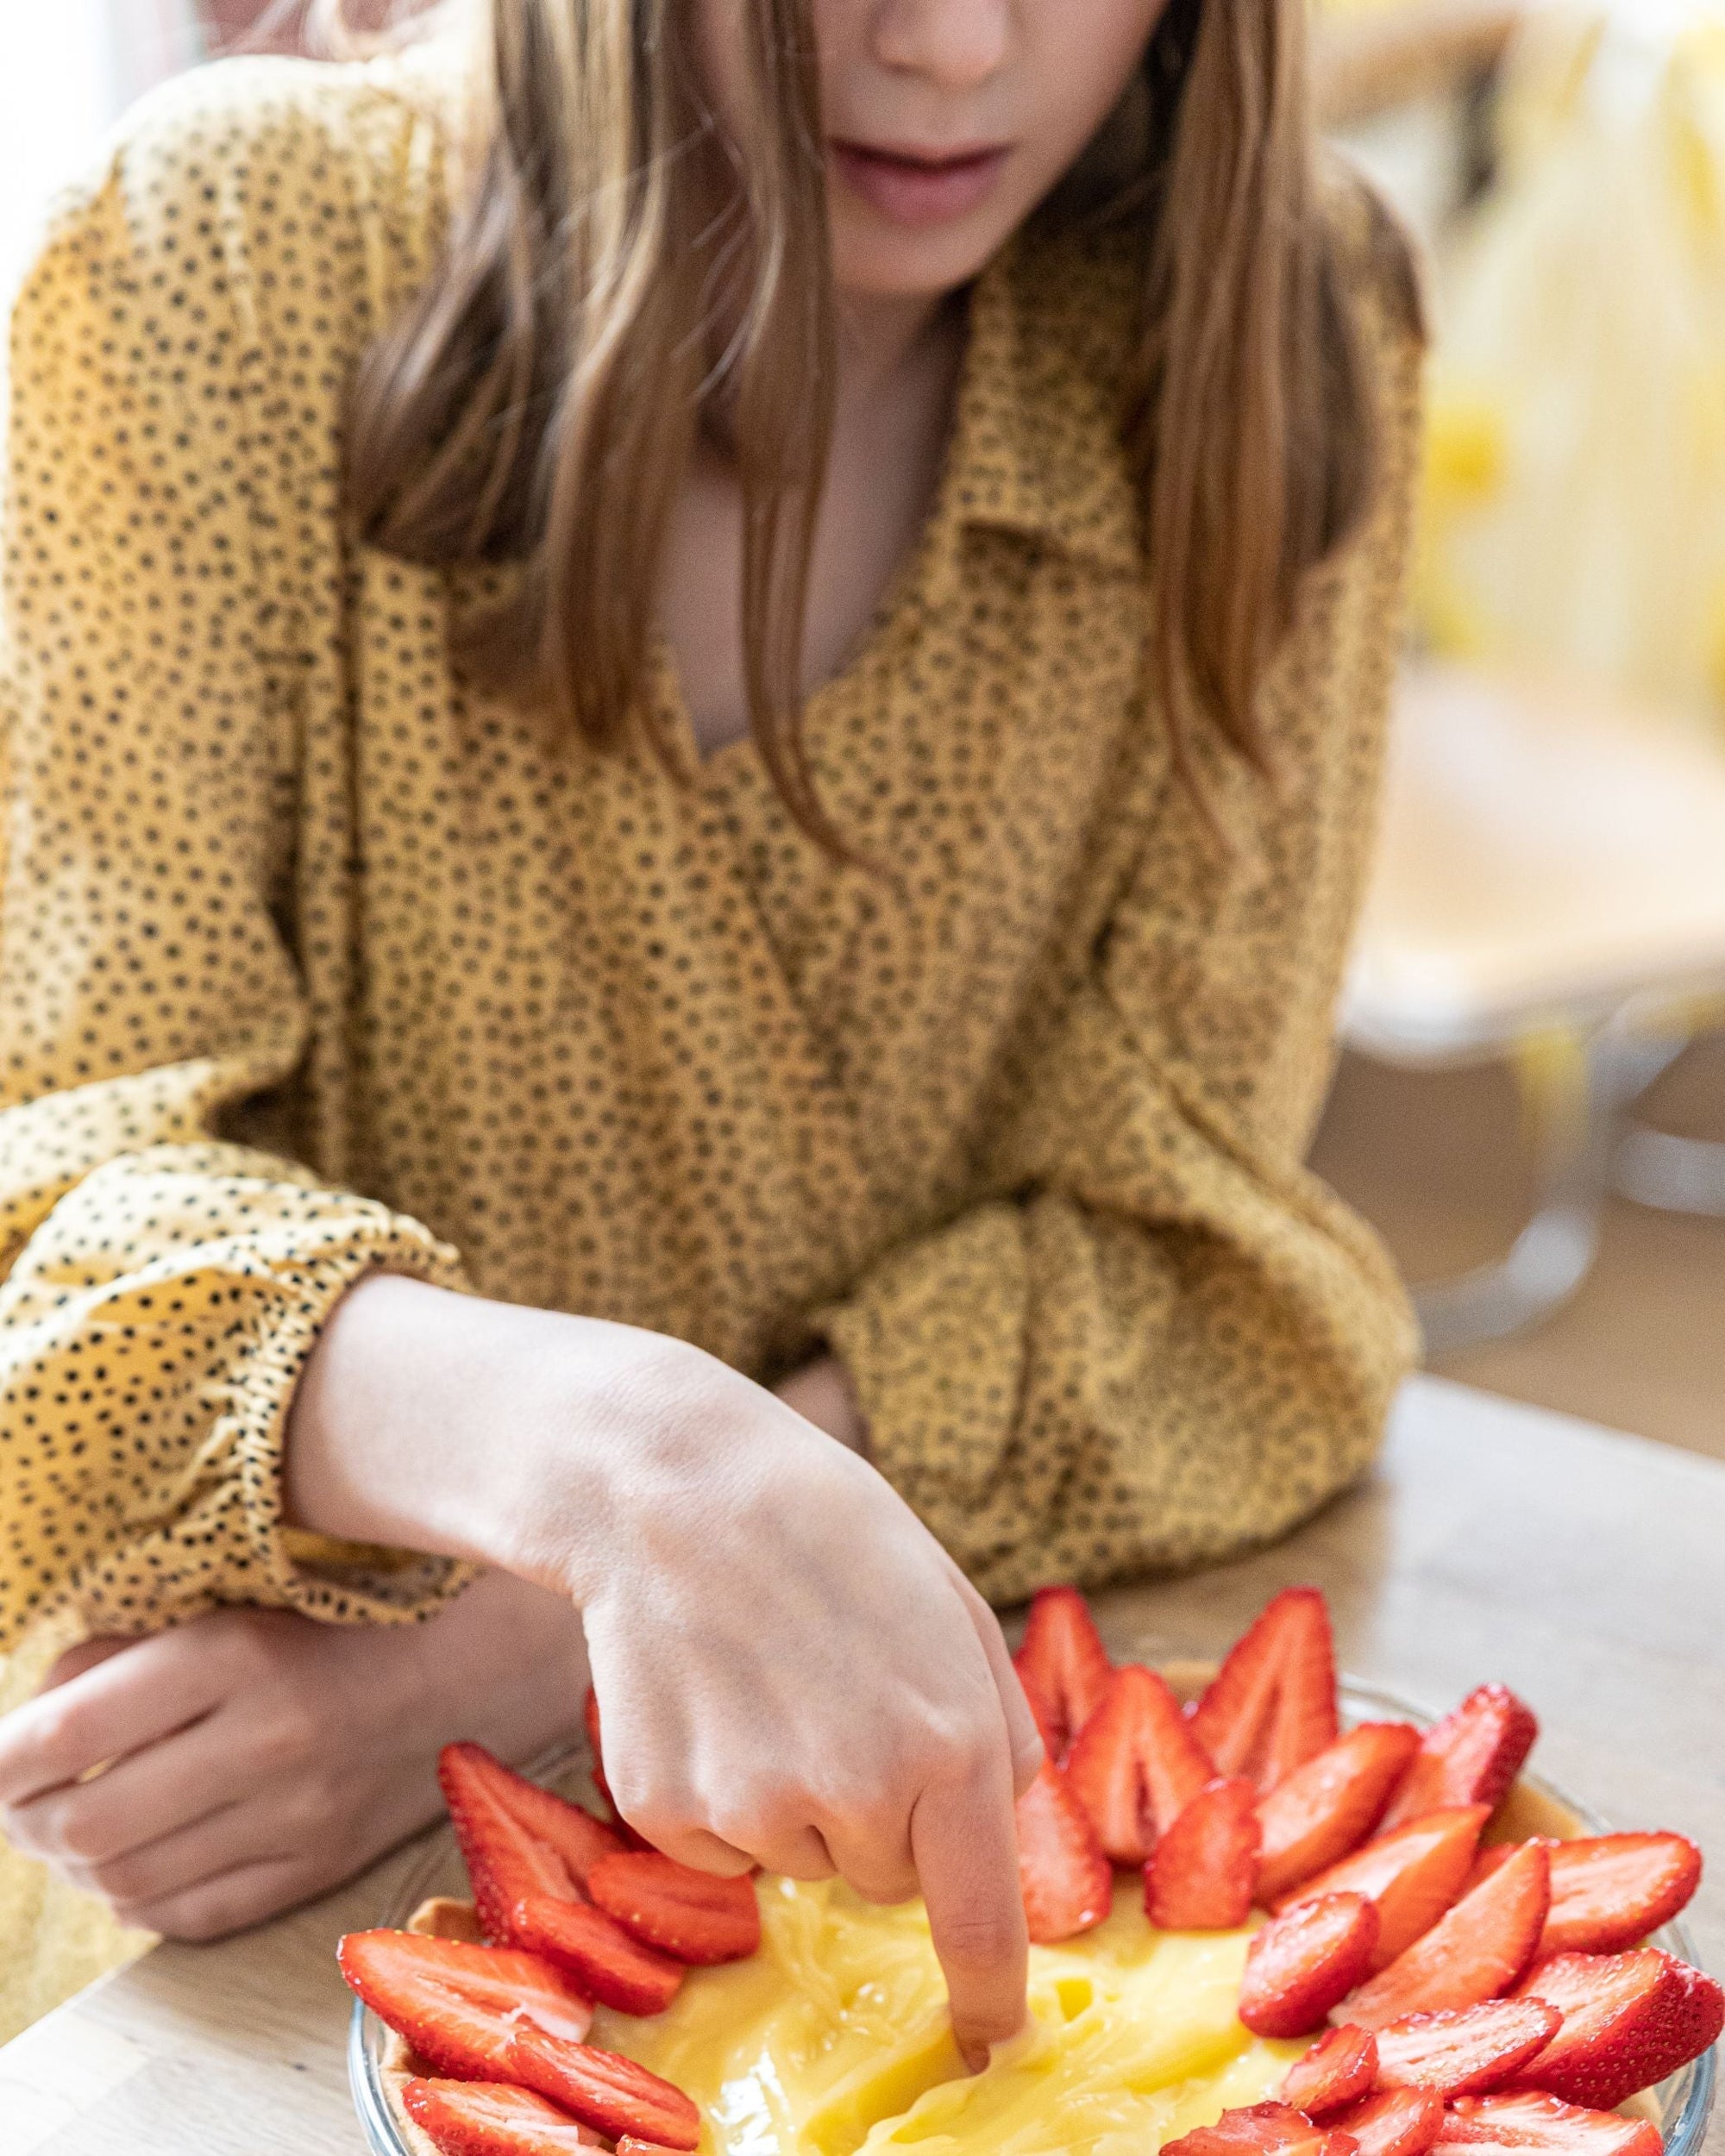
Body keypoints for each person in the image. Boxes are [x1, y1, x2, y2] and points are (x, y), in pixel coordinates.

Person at [0, 0, 1422, 2063]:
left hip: (879, 1919)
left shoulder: (1274, 327)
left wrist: (520, 1648)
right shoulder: (228, 253)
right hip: (246, 1932)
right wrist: (608, 1457)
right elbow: (51, 1209)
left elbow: (1204, 1270)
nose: (950, 46)